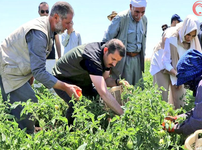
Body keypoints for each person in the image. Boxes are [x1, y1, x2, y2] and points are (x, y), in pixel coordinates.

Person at [0, 1, 80, 134]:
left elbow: (33, 62)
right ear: (56, 17)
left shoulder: (48, 29)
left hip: (16, 67)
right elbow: (39, 71)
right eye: (67, 22)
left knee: (20, 109)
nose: (68, 27)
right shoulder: (39, 33)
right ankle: (23, 139)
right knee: (28, 106)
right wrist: (65, 87)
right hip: (9, 68)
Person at [52, 39, 128, 126]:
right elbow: (103, 92)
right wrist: (123, 114)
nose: (114, 64)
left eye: (117, 61)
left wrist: (118, 82)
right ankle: (69, 131)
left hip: (81, 81)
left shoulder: (106, 58)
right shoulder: (93, 57)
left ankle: (98, 126)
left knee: (97, 99)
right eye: (113, 59)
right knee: (76, 103)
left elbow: (105, 80)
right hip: (63, 78)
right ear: (106, 50)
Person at [150, 15, 202, 109]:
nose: (190, 38)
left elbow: (191, 63)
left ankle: (175, 120)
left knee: (181, 102)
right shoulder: (171, 37)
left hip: (177, 68)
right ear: (185, 29)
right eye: (188, 34)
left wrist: (181, 79)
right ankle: (161, 121)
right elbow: (165, 62)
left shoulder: (194, 41)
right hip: (161, 64)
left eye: (193, 35)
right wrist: (178, 76)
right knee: (162, 97)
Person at [102, 0, 147, 86]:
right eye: (137, 12)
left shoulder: (144, 20)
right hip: (123, 61)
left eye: (143, 12)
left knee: (138, 90)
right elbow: (106, 39)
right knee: (123, 90)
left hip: (137, 60)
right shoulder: (121, 18)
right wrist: (107, 63)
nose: (139, 15)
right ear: (131, 7)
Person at [38, 2, 61, 72]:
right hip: (39, 59)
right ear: (39, 12)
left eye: (47, 11)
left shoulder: (53, 25)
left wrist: (60, 58)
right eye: (42, 11)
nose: (45, 13)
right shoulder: (36, 26)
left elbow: (57, 42)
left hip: (51, 59)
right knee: (38, 82)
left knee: (51, 81)